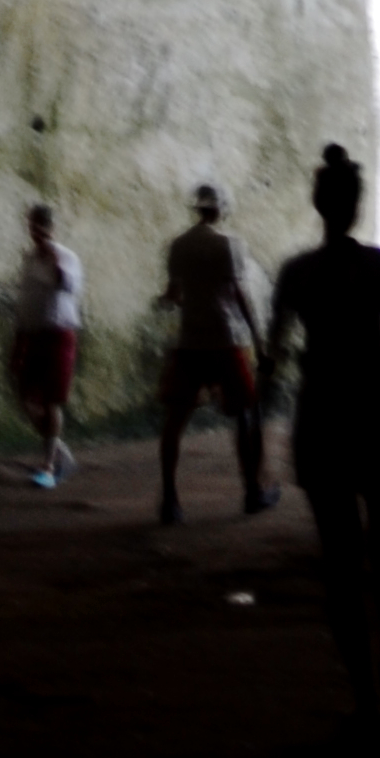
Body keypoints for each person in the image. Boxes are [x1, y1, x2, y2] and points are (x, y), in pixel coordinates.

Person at [266, 143, 380, 719]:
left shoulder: (297, 273)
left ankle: (362, 688)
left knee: (339, 557)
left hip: (324, 409)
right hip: (373, 406)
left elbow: (274, 353)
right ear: (355, 205)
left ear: (318, 203)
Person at [156, 179, 272, 521]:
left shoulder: (178, 245)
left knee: (175, 420)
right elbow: (239, 295)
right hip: (225, 339)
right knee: (245, 416)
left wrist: (168, 300)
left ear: (197, 208)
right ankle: (252, 491)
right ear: (220, 208)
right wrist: (260, 343)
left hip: (190, 341)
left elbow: (174, 295)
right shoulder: (229, 244)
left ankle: (170, 499)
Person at [10, 201, 85, 483]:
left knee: (52, 400)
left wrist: (52, 256)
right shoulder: (28, 259)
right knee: (27, 399)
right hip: (33, 334)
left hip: (59, 335)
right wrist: (19, 341)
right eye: (32, 225)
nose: (36, 231)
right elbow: (25, 300)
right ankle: (59, 451)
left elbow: (67, 286)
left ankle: (49, 467)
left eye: (41, 225)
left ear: (51, 228)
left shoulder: (67, 257)